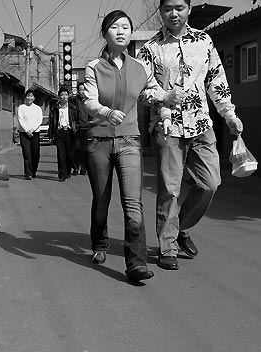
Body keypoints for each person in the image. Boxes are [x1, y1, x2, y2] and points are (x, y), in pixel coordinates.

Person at [137, 0, 243, 270]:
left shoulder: (204, 41)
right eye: (168, 8)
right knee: (169, 189)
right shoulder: (150, 49)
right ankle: (167, 246)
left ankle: (181, 227)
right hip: (168, 127)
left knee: (210, 183)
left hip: (201, 124)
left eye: (180, 7)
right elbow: (141, 89)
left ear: (188, 10)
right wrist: (164, 95)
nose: (174, 13)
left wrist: (229, 115)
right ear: (160, 11)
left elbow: (216, 80)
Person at [83, 10, 170, 283]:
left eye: (125, 27)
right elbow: (88, 101)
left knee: (133, 204)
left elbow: (153, 93)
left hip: (130, 140)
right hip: (99, 140)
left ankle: (136, 264)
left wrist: (165, 112)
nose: (121, 31)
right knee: (102, 199)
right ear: (105, 33)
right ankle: (99, 244)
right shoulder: (93, 66)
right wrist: (107, 113)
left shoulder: (141, 67)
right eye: (114, 27)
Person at [48, 86, 78, 182]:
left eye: (65, 95)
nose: (64, 97)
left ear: (68, 96)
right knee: (61, 155)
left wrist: (76, 130)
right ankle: (62, 174)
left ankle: (68, 171)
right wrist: (51, 135)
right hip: (59, 132)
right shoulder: (55, 108)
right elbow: (52, 122)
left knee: (69, 154)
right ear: (59, 96)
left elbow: (76, 120)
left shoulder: (72, 107)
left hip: (70, 132)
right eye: (62, 95)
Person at [17, 89, 43, 180]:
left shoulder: (38, 108)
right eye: (28, 96)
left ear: (34, 97)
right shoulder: (21, 108)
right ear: (25, 97)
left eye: (31, 96)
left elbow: (39, 120)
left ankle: (33, 171)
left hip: (35, 133)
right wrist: (27, 130)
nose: (29, 98)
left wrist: (32, 129)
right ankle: (28, 173)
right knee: (27, 154)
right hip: (24, 133)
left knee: (35, 153)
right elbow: (20, 120)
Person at [70, 82, 89, 176]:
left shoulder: (90, 101)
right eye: (81, 90)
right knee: (75, 150)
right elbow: (71, 115)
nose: (83, 92)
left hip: (87, 129)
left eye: (84, 90)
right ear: (78, 91)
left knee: (85, 150)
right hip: (77, 129)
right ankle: (75, 167)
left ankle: (84, 168)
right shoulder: (73, 101)